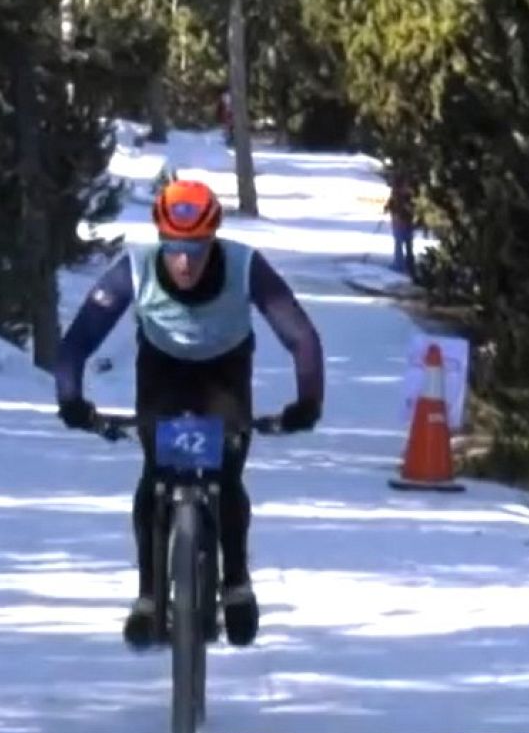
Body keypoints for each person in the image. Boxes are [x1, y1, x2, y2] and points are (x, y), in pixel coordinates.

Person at [53, 178, 325, 649]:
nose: (183, 262)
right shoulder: (135, 267)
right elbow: (78, 341)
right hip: (163, 371)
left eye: (196, 251)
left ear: (213, 241)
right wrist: (72, 399)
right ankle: (148, 596)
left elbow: (301, 337)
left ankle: (236, 582)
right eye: (175, 248)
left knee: (226, 472)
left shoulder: (243, 266)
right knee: (156, 472)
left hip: (224, 371)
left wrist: (307, 403)